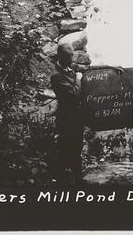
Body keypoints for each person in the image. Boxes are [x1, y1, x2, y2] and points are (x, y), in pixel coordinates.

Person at [49, 42, 122, 184]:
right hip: (66, 121)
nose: (71, 58)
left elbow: (88, 68)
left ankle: (76, 179)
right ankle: (64, 181)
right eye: (68, 56)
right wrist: (78, 79)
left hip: (76, 118)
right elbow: (74, 95)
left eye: (72, 55)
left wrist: (110, 67)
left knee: (76, 150)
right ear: (60, 56)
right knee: (67, 151)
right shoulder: (57, 76)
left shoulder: (69, 66)